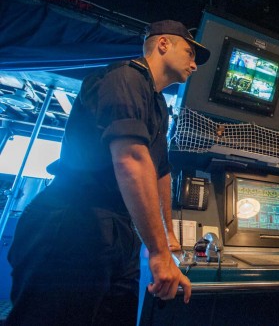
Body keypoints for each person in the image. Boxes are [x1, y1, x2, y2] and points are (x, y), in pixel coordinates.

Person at [7, 20, 211, 326]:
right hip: (73, 222)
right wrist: (158, 253)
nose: (194, 65)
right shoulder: (125, 77)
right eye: (190, 53)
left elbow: (160, 173)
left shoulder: (158, 105)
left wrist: (168, 237)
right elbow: (131, 159)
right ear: (163, 44)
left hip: (119, 230)